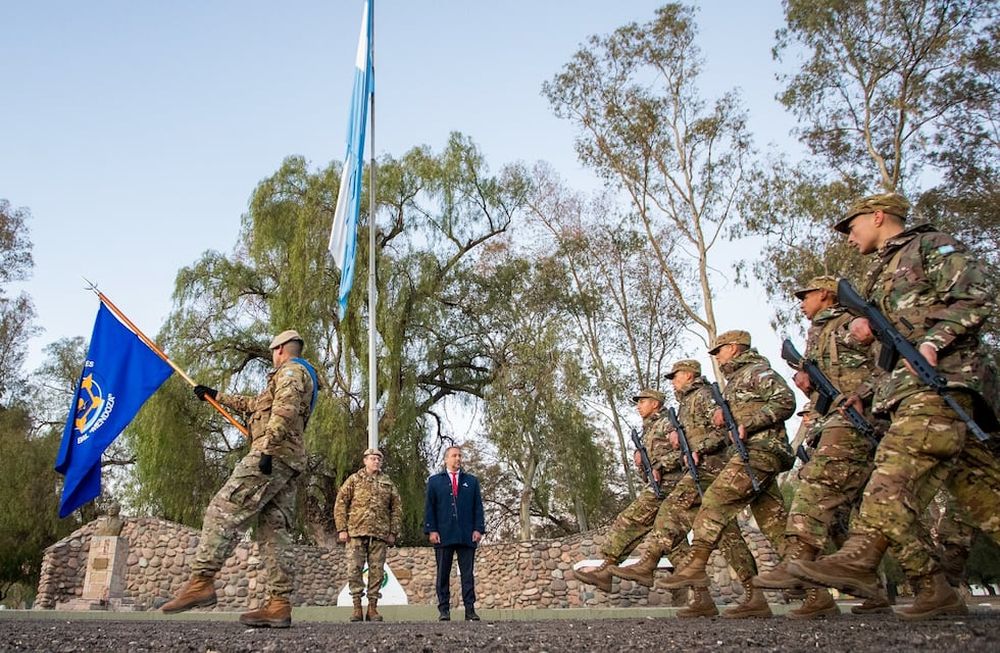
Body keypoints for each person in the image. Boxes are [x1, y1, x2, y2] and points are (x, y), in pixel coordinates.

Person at [789, 192, 1000, 620]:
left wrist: (932, 342)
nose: (850, 237)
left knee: (888, 482)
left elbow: (978, 293)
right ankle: (933, 590)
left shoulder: (929, 245)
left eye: (852, 226)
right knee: (987, 498)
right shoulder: (881, 272)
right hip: (906, 393)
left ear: (879, 216)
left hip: (943, 383)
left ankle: (859, 557)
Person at [161, 329, 318, 628]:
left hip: (271, 455)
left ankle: (202, 581)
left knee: (223, 509)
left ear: (281, 349)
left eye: (273, 352)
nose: (273, 356)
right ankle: (279, 604)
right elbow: (255, 406)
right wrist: (216, 396)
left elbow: (283, 411)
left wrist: (268, 450)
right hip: (288, 460)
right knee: (274, 532)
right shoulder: (292, 375)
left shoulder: (291, 372)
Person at [753, 276, 880, 619]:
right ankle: (903, 586)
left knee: (821, 487)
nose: (801, 302)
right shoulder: (818, 334)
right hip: (835, 420)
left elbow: (885, 363)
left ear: (825, 294)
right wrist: (808, 381)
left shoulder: (853, 322)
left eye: (805, 295)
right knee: (868, 509)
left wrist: (865, 395)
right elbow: (826, 384)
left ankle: (798, 561)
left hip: (860, 417)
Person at [610, 361, 765, 619]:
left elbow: (724, 431)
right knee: (679, 525)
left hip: (713, 472)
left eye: (676, 376)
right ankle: (706, 596)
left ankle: (755, 594)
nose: (673, 381)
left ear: (689, 375)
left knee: (726, 536)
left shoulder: (704, 397)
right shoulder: (683, 406)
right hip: (697, 476)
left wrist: (696, 449)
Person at [661, 330, 795, 619]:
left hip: (759, 453)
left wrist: (747, 422)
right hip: (746, 457)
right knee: (776, 527)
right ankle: (815, 593)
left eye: (719, 350)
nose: (717, 356)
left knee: (715, 504)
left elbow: (785, 400)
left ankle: (696, 567)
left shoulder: (755, 372)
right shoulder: (731, 383)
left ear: (733, 348)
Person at [574, 389, 689, 599]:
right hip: (659, 487)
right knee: (673, 541)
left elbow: (684, 453)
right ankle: (697, 596)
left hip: (671, 486)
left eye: (643, 401)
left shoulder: (668, 423)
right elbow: (649, 469)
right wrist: (642, 465)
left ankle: (606, 570)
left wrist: (659, 466)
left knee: (629, 521)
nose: (638, 406)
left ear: (655, 404)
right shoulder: (648, 430)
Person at [334, 447, 402, 622]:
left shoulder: (388, 483)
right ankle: (357, 607)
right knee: (354, 570)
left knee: (377, 572)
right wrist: (342, 529)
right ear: (365, 460)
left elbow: (396, 508)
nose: (376, 461)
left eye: (378, 459)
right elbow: (341, 503)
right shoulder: (354, 480)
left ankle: (372, 608)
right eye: (372, 458)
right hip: (356, 533)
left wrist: (393, 531)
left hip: (379, 535)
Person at [424, 445, 486, 621]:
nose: (457, 458)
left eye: (459, 455)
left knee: (467, 574)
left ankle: (470, 609)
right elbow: (430, 508)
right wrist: (432, 530)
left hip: (467, 534)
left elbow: (478, 507)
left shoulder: (472, 481)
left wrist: (478, 528)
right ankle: (444, 610)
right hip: (443, 535)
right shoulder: (435, 481)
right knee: (443, 574)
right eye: (454, 455)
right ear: (446, 459)